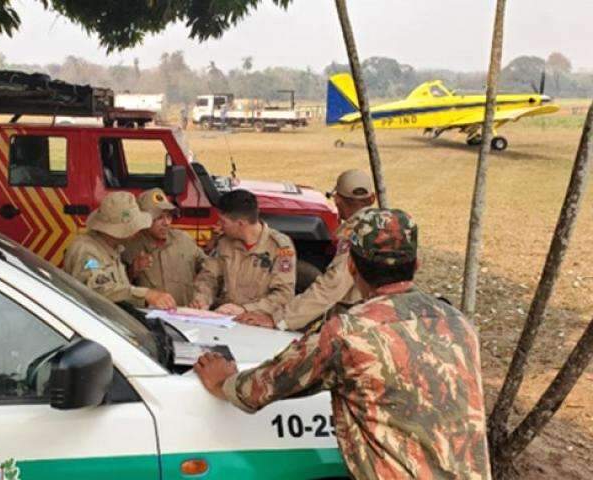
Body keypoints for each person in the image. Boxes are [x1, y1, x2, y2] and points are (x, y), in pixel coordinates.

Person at [194, 208, 490, 479]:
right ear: (417, 264)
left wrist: (224, 382)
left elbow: (263, 387)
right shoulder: (458, 323)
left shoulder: (349, 333)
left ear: (351, 268)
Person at [237, 169, 375, 330]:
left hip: (363, 314)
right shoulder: (391, 224)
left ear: (337, 199)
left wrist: (279, 319)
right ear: (372, 198)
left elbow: (332, 286)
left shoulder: (355, 232)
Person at [190, 189, 296, 316]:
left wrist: (246, 309)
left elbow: (284, 295)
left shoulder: (280, 247)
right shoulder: (224, 243)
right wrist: (202, 299)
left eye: (223, 221)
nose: (219, 225)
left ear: (240, 223)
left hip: (257, 321)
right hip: (223, 318)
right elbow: (208, 277)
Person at [63, 191, 176, 309]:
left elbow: (120, 292)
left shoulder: (114, 249)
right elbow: (100, 288)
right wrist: (146, 294)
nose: (137, 231)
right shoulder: (86, 251)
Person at [123, 188, 206, 306]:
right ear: (144, 219)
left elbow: (207, 268)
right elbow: (119, 289)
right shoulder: (130, 246)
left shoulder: (183, 239)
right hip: (147, 318)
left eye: (168, 216)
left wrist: (202, 296)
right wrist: (133, 270)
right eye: (159, 218)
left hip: (184, 315)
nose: (166, 222)